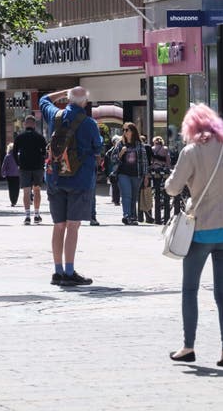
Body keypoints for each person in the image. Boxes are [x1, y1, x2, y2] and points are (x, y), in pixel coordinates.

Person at [165, 103, 223, 368]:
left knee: (190, 289)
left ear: (191, 127)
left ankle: (188, 346)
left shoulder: (191, 152)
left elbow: (172, 189)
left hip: (200, 232)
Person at [40, 87, 102, 286]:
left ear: (67, 99)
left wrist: (63, 92)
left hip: (55, 178)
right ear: (85, 102)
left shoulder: (55, 116)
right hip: (79, 180)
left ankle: (57, 272)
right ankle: (69, 271)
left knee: (59, 226)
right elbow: (97, 147)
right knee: (73, 226)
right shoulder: (89, 123)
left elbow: (43, 99)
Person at [13, 115, 47, 225]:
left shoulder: (19, 137)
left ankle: (27, 216)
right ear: (34, 124)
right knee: (37, 190)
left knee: (26, 191)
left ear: (25, 124)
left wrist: (18, 163)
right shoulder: (40, 137)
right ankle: (36, 214)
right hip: (37, 167)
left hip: (24, 167)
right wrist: (42, 161)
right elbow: (44, 152)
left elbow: (14, 152)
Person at [114, 122, 148, 225]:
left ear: (133, 131)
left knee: (134, 196)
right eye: (123, 130)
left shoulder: (139, 144)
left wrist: (146, 175)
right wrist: (121, 153)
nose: (124, 132)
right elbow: (113, 158)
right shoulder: (120, 144)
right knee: (126, 194)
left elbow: (144, 160)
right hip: (123, 173)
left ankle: (133, 217)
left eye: (127, 130)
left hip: (137, 174)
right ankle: (127, 216)